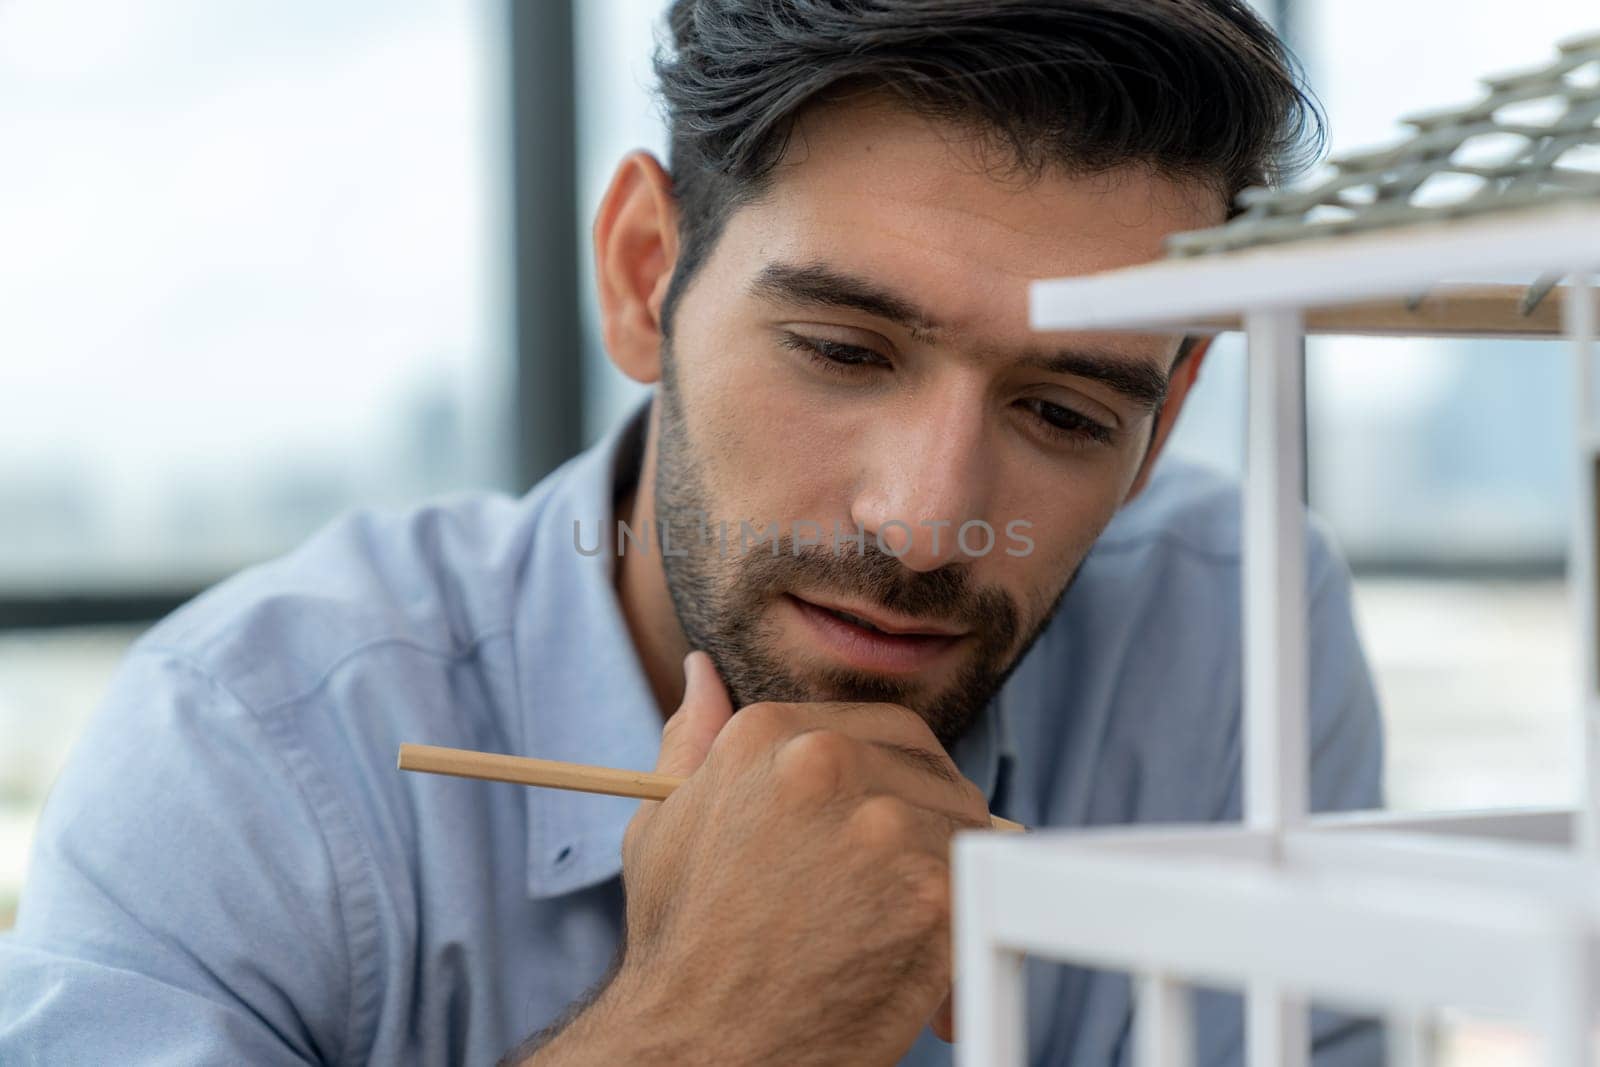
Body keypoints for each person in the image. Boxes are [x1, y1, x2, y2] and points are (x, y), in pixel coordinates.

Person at [0, 1, 1385, 1063]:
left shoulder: (1235, 634)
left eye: (1068, 415)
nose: (919, 526)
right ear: (642, 274)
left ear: (1170, 413)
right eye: (844, 352)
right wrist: (709, 1026)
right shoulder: (249, 747)